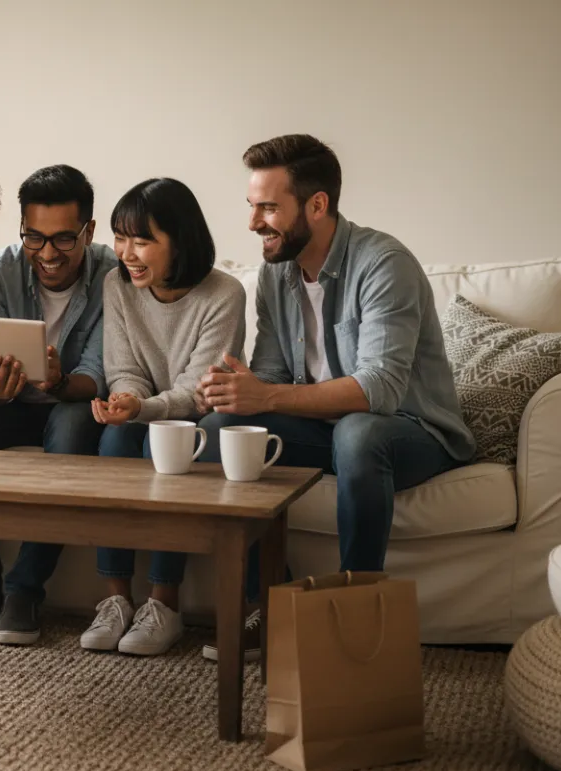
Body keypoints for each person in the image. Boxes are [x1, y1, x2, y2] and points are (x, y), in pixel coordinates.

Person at [195, 133, 474, 662]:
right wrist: (237, 389)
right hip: (332, 430)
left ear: (317, 205)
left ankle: (356, 613)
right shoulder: (275, 273)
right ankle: (273, 602)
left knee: (359, 431)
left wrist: (268, 396)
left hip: (412, 431)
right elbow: (275, 375)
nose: (254, 222)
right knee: (219, 432)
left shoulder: (383, 263)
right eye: (252, 206)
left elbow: (379, 389)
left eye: (269, 208)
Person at [0, 165, 116, 646]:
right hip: (7, 405)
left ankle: (25, 590)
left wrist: (58, 382)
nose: (47, 254)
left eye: (62, 240)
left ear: (88, 231)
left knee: (75, 425)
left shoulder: (113, 275)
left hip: (69, 402)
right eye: (33, 238)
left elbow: (96, 375)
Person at [78, 178, 246, 657]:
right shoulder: (118, 285)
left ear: (181, 240)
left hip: (189, 418)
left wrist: (144, 410)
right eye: (121, 237)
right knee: (112, 442)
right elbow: (124, 367)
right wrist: (125, 402)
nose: (127, 253)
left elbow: (199, 391)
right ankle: (115, 601)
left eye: (143, 240)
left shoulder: (224, 293)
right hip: (145, 408)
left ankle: (163, 603)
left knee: (163, 446)